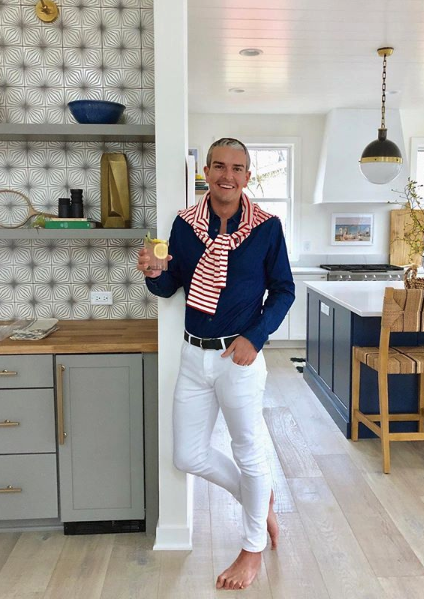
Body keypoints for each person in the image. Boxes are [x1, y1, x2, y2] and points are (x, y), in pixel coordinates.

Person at [137, 138, 295, 590]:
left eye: (237, 168)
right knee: (187, 454)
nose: (228, 175)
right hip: (192, 356)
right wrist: (153, 273)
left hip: (238, 359)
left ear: (248, 176)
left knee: (249, 450)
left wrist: (255, 337)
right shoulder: (184, 225)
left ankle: (252, 548)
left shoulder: (267, 228)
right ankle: (258, 497)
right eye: (220, 166)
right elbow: (170, 286)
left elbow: (284, 290)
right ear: (206, 171)